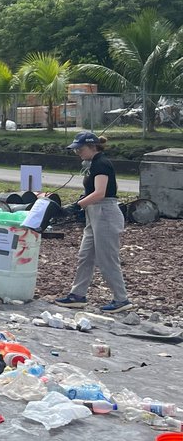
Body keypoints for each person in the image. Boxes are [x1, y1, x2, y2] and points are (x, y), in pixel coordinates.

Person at [54, 132, 131, 312]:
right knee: (85, 255)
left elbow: (100, 193)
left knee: (107, 259)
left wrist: (76, 205)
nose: (77, 152)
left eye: (80, 149)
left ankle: (122, 299)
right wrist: (83, 204)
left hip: (105, 211)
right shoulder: (93, 164)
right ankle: (78, 294)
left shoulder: (101, 164)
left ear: (92, 147)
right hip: (94, 212)